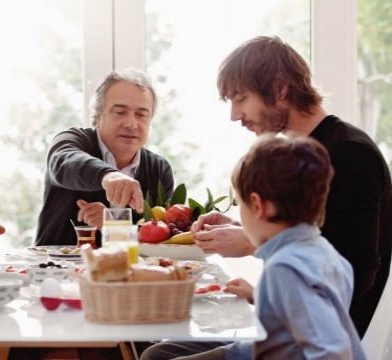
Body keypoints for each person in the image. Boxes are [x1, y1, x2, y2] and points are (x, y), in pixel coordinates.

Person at [192, 35, 391, 337]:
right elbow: (317, 235)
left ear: (279, 88)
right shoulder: (307, 154)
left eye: (240, 97)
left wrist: (253, 242)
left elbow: (352, 271)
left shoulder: (349, 153)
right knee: (162, 349)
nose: (234, 115)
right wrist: (250, 226)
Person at [151, 135, 367, 359]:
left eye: (241, 205)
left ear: (257, 205)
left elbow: (331, 352)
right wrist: (261, 296)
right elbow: (311, 314)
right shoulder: (330, 256)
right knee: (159, 353)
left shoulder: (285, 268)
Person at [35, 68, 175, 247]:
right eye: (120, 112)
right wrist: (109, 176)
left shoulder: (159, 170)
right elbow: (63, 161)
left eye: (141, 114)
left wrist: (112, 224)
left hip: (132, 272)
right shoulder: (74, 141)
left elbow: (163, 240)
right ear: (98, 116)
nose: (131, 124)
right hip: (56, 271)